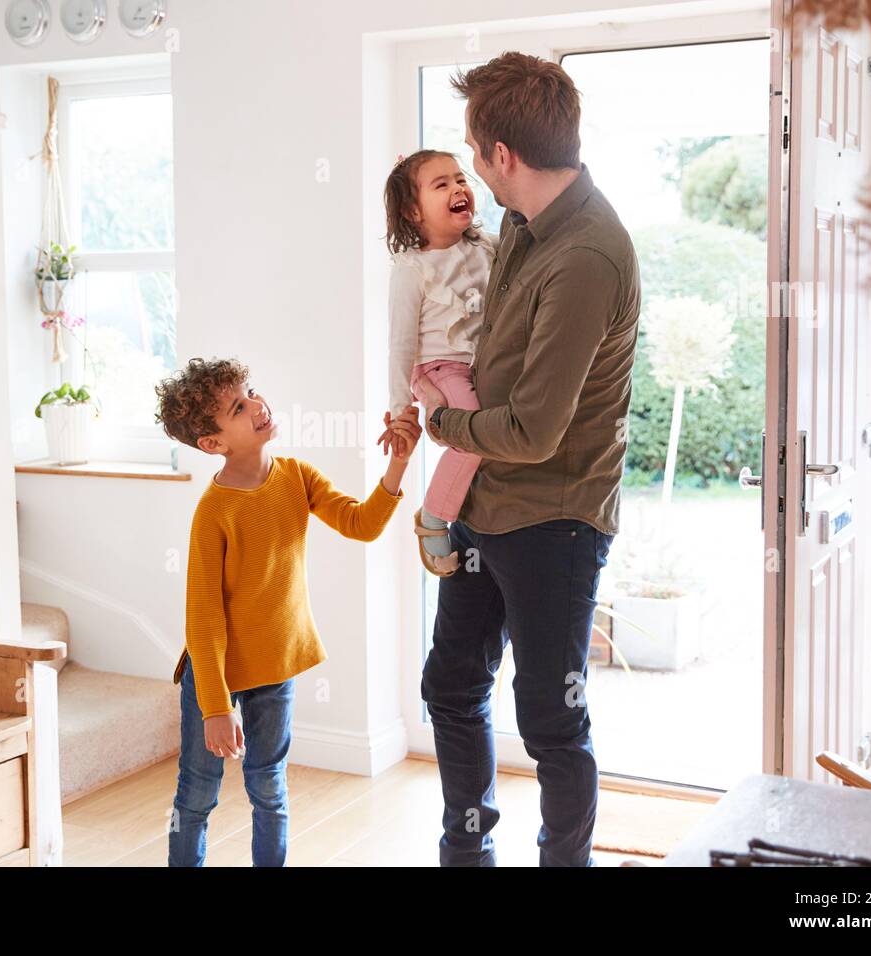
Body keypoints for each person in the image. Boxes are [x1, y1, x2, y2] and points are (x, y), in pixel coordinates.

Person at [415, 52, 642, 867]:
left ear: (502, 155)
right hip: (485, 507)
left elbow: (536, 431)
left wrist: (442, 423)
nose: (475, 168)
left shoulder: (586, 255)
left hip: (554, 520)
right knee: (450, 688)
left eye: (477, 151)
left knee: (550, 721)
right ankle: (467, 854)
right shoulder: (519, 224)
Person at [154, 357, 421, 866]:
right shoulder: (214, 511)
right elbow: (204, 619)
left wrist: (399, 464)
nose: (257, 403)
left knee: (269, 790)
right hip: (215, 677)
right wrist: (215, 707)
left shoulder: (297, 476)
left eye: (251, 391)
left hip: (275, 669)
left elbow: (360, 525)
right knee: (196, 794)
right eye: (238, 406)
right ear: (212, 443)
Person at [381, 149, 498, 577]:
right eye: (441, 184)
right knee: (470, 429)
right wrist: (400, 410)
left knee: (484, 431)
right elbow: (399, 343)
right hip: (437, 367)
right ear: (414, 211)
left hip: (478, 362)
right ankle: (433, 516)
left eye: (460, 178)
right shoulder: (412, 268)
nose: (458, 188)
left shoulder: (485, 246)